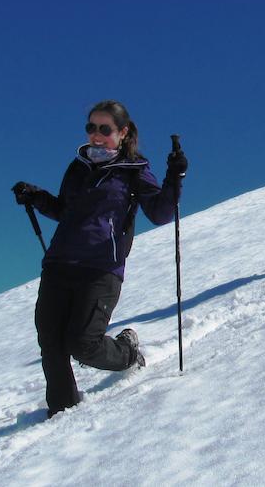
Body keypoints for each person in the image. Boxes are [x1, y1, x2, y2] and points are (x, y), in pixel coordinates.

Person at [12, 100, 188, 418]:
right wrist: (36, 197)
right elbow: (66, 210)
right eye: (91, 127)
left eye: (104, 129)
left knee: (83, 343)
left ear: (122, 132)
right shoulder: (78, 167)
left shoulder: (134, 171)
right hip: (59, 262)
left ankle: (128, 353)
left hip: (101, 268)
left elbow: (161, 213)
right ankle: (61, 408)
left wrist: (174, 178)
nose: (95, 135)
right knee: (50, 339)